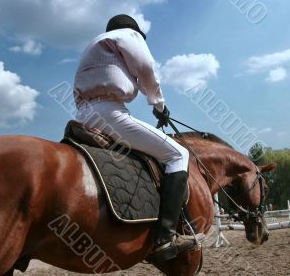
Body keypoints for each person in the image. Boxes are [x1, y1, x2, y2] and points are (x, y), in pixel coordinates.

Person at [73, 14, 203, 261]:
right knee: (178, 154)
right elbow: (146, 68)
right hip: (109, 112)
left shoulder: (93, 45)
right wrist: (159, 105)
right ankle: (165, 237)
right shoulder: (128, 35)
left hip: (82, 115)